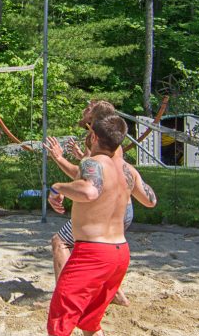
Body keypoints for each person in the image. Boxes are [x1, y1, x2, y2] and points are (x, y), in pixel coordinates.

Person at [46, 114, 150, 336]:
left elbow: (89, 191)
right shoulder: (127, 170)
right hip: (120, 253)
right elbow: (151, 201)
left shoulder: (92, 162)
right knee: (89, 322)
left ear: (93, 136)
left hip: (93, 252)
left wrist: (58, 187)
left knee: (59, 321)